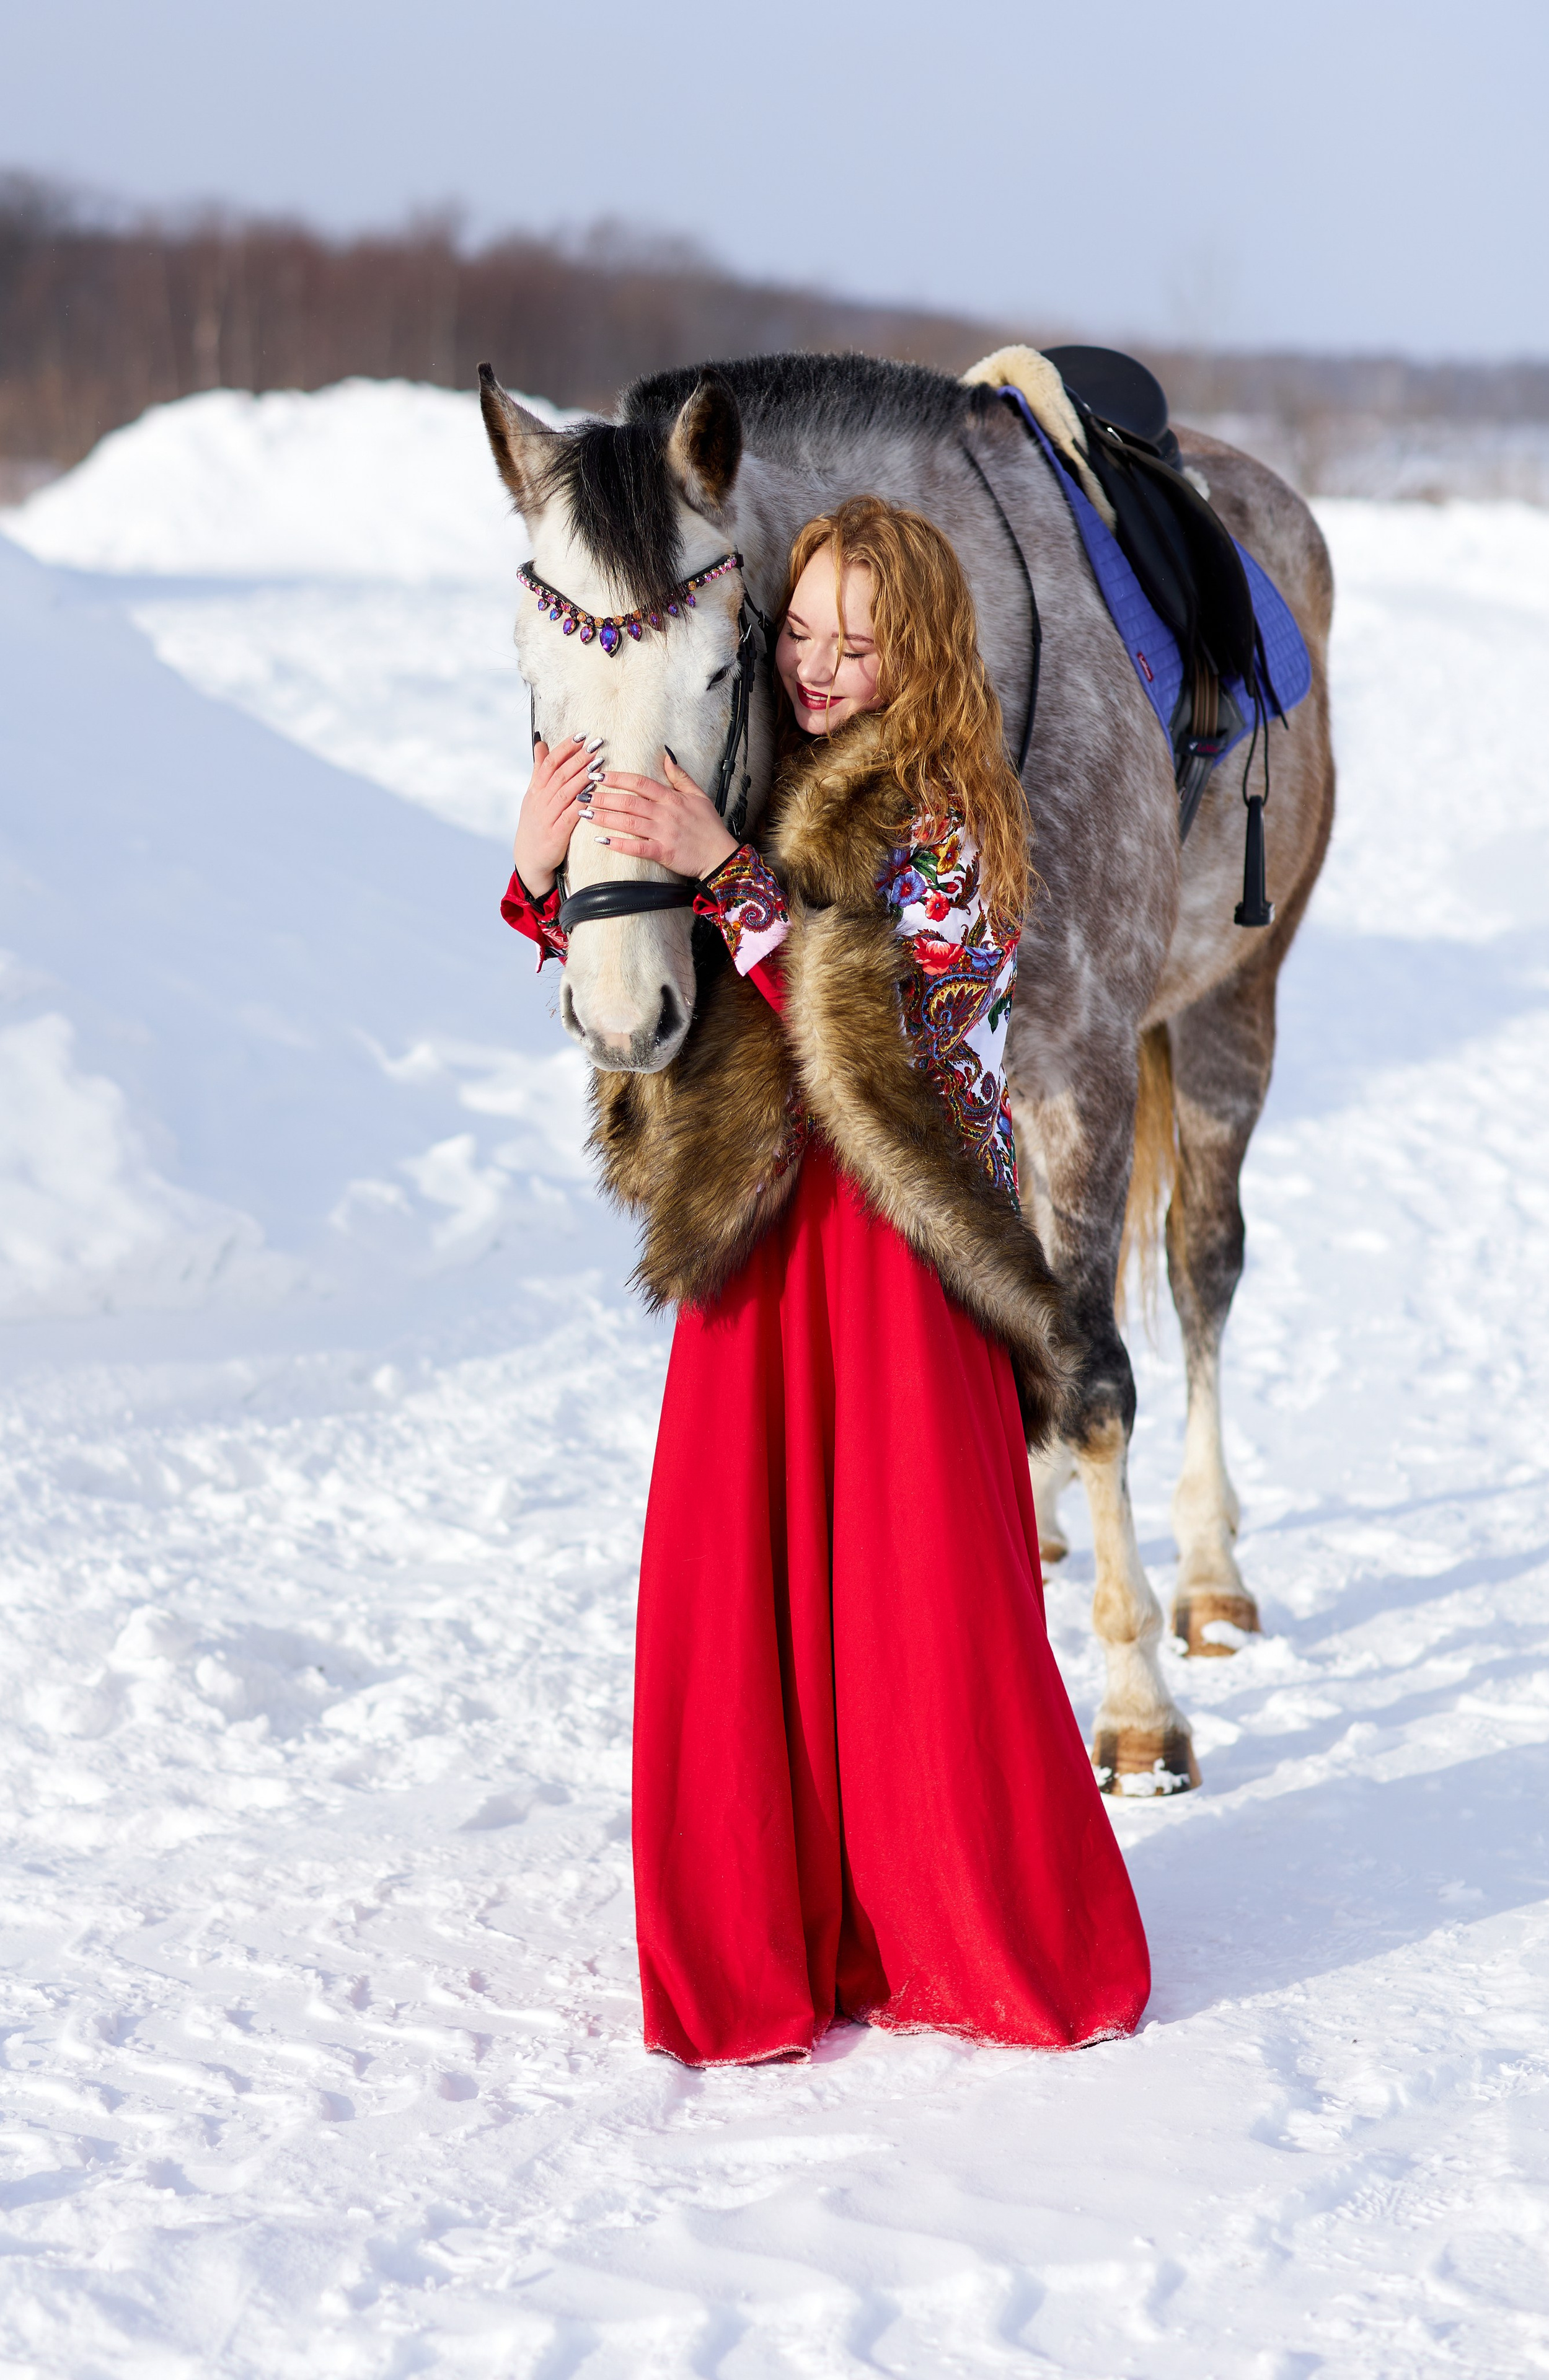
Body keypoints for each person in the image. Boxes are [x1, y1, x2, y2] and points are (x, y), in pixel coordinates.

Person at [502, 495, 1150, 2065]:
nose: (818, 667)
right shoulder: (752, 774)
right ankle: (761, 1937)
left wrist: (728, 872)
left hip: (898, 1240)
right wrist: (542, 875)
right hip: (759, 1232)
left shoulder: (952, 803)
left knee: (917, 1602)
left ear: (918, 651)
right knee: (737, 1592)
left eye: (857, 643)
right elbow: (666, 986)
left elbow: (902, 1026)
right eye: (799, 633)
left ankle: (959, 1924)